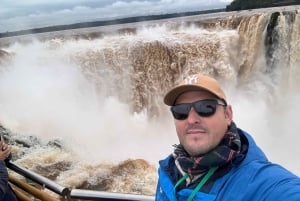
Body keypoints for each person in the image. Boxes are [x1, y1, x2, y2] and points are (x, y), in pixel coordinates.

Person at [155, 73, 300, 201]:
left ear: (228, 114)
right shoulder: (169, 169)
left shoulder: (261, 183)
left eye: (206, 107)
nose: (192, 119)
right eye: (181, 111)